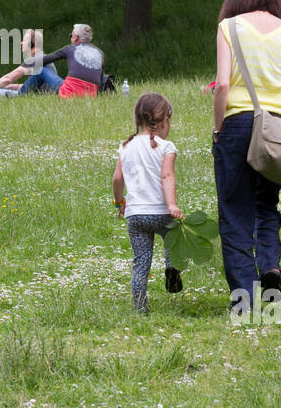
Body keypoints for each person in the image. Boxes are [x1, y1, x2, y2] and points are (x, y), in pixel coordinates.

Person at [211, 0, 281, 307]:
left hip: (238, 123)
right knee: (266, 203)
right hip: (277, 129)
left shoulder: (229, 27)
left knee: (234, 211)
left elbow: (223, 85)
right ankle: (270, 268)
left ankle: (244, 299)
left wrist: (217, 127)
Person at [112, 93, 184, 314]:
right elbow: (167, 177)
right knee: (174, 237)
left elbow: (117, 179)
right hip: (161, 212)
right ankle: (171, 266)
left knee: (141, 263)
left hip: (135, 216)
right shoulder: (166, 147)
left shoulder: (126, 147)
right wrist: (171, 205)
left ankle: (140, 308)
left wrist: (119, 203)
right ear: (164, 121)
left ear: (138, 120)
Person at [0, 29, 64, 95]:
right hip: (43, 95)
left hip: (39, 96)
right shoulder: (42, 57)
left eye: (24, 40)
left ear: (31, 44)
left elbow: (8, 79)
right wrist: (7, 87)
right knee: (2, 88)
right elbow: (33, 86)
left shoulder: (34, 60)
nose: (21, 43)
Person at [39, 24, 104, 98]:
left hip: (68, 93)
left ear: (75, 37)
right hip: (90, 96)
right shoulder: (100, 52)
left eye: (71, 35)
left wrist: (28, 64)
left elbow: (44, 60)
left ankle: (23, 90)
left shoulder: (70, 48)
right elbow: (100, 79)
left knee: (41, 69)